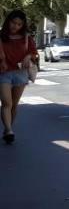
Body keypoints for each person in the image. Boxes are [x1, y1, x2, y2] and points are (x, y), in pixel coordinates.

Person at [1, 9, 40, 144]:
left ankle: (8, 129)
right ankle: (9, 130)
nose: (15, 26)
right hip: (3, 73)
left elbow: (34, 53)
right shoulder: (1, 36)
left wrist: (28, 56)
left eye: (19, 24)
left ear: (22, 25)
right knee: (7, 103)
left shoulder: (26, 38)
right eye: (13, 23)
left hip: (21, 74)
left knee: (14, 105)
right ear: (8, 22)